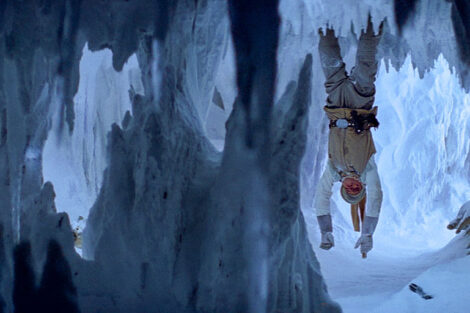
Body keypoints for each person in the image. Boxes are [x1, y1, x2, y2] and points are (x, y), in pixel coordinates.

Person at [315, 19, 383, 257]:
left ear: (342, 187)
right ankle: (373, 12)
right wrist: (367, 233)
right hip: (361, 103)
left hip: (335, 102)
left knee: (327, 54)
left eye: (349, 191)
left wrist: (326, 231)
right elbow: (376, 198)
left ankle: (326, 14)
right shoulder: (367, 170)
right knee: (366, 59)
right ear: (362, 186)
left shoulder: (333, 171)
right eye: (357, 190)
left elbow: (321, 198)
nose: (353, 188)